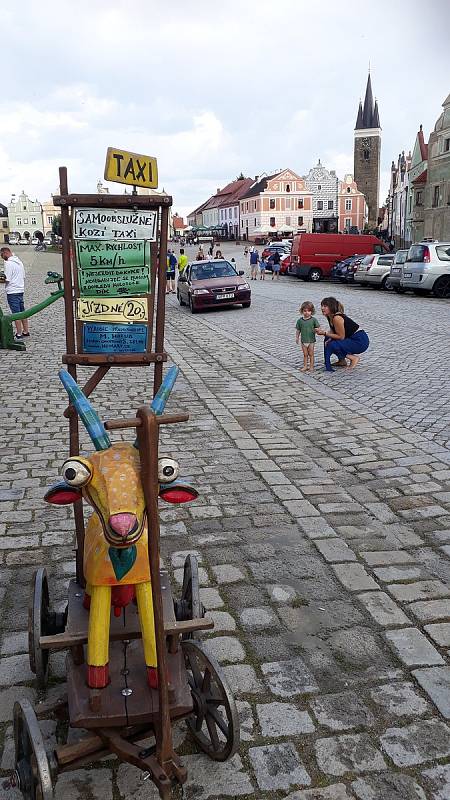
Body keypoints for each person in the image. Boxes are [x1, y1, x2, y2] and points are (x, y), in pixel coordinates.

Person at [316, 296, 369, 371]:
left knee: (333, 344)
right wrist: (328, 337)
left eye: (325, 306)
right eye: (322, 306)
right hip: (352, 338)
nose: (322, 308)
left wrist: (324, 333)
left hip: (360, 341)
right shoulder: (330, 316)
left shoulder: (337, 317)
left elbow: (341, 337)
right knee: (328, 339)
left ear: (331, 307)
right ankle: (342, 361)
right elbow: (333, 331)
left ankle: (353, 358)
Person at [0, 246, 29, 339]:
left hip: (12, 291)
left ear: (5, 253)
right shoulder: (19, 262)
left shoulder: (8, 263)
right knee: (22, 312)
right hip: (20, 289)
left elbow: (7, 278)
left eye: (1, 255)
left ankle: (19, 333)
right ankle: (26, 331)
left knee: (15, 313)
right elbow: (23, 276)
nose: (2, 257)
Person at [295, 301, 320, 371]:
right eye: (305, 311)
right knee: (305, 354)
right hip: (303, 340)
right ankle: (305, 366)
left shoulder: (313, 320)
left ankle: (311, 366)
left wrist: (317, 330)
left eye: (309, 311)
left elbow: (318, 327)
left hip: (311, 341)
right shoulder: (300, 321)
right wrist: (297, 337)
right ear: (302, 311)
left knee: (311, 354)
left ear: (312, 311)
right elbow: (298, 330)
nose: (307, 312)